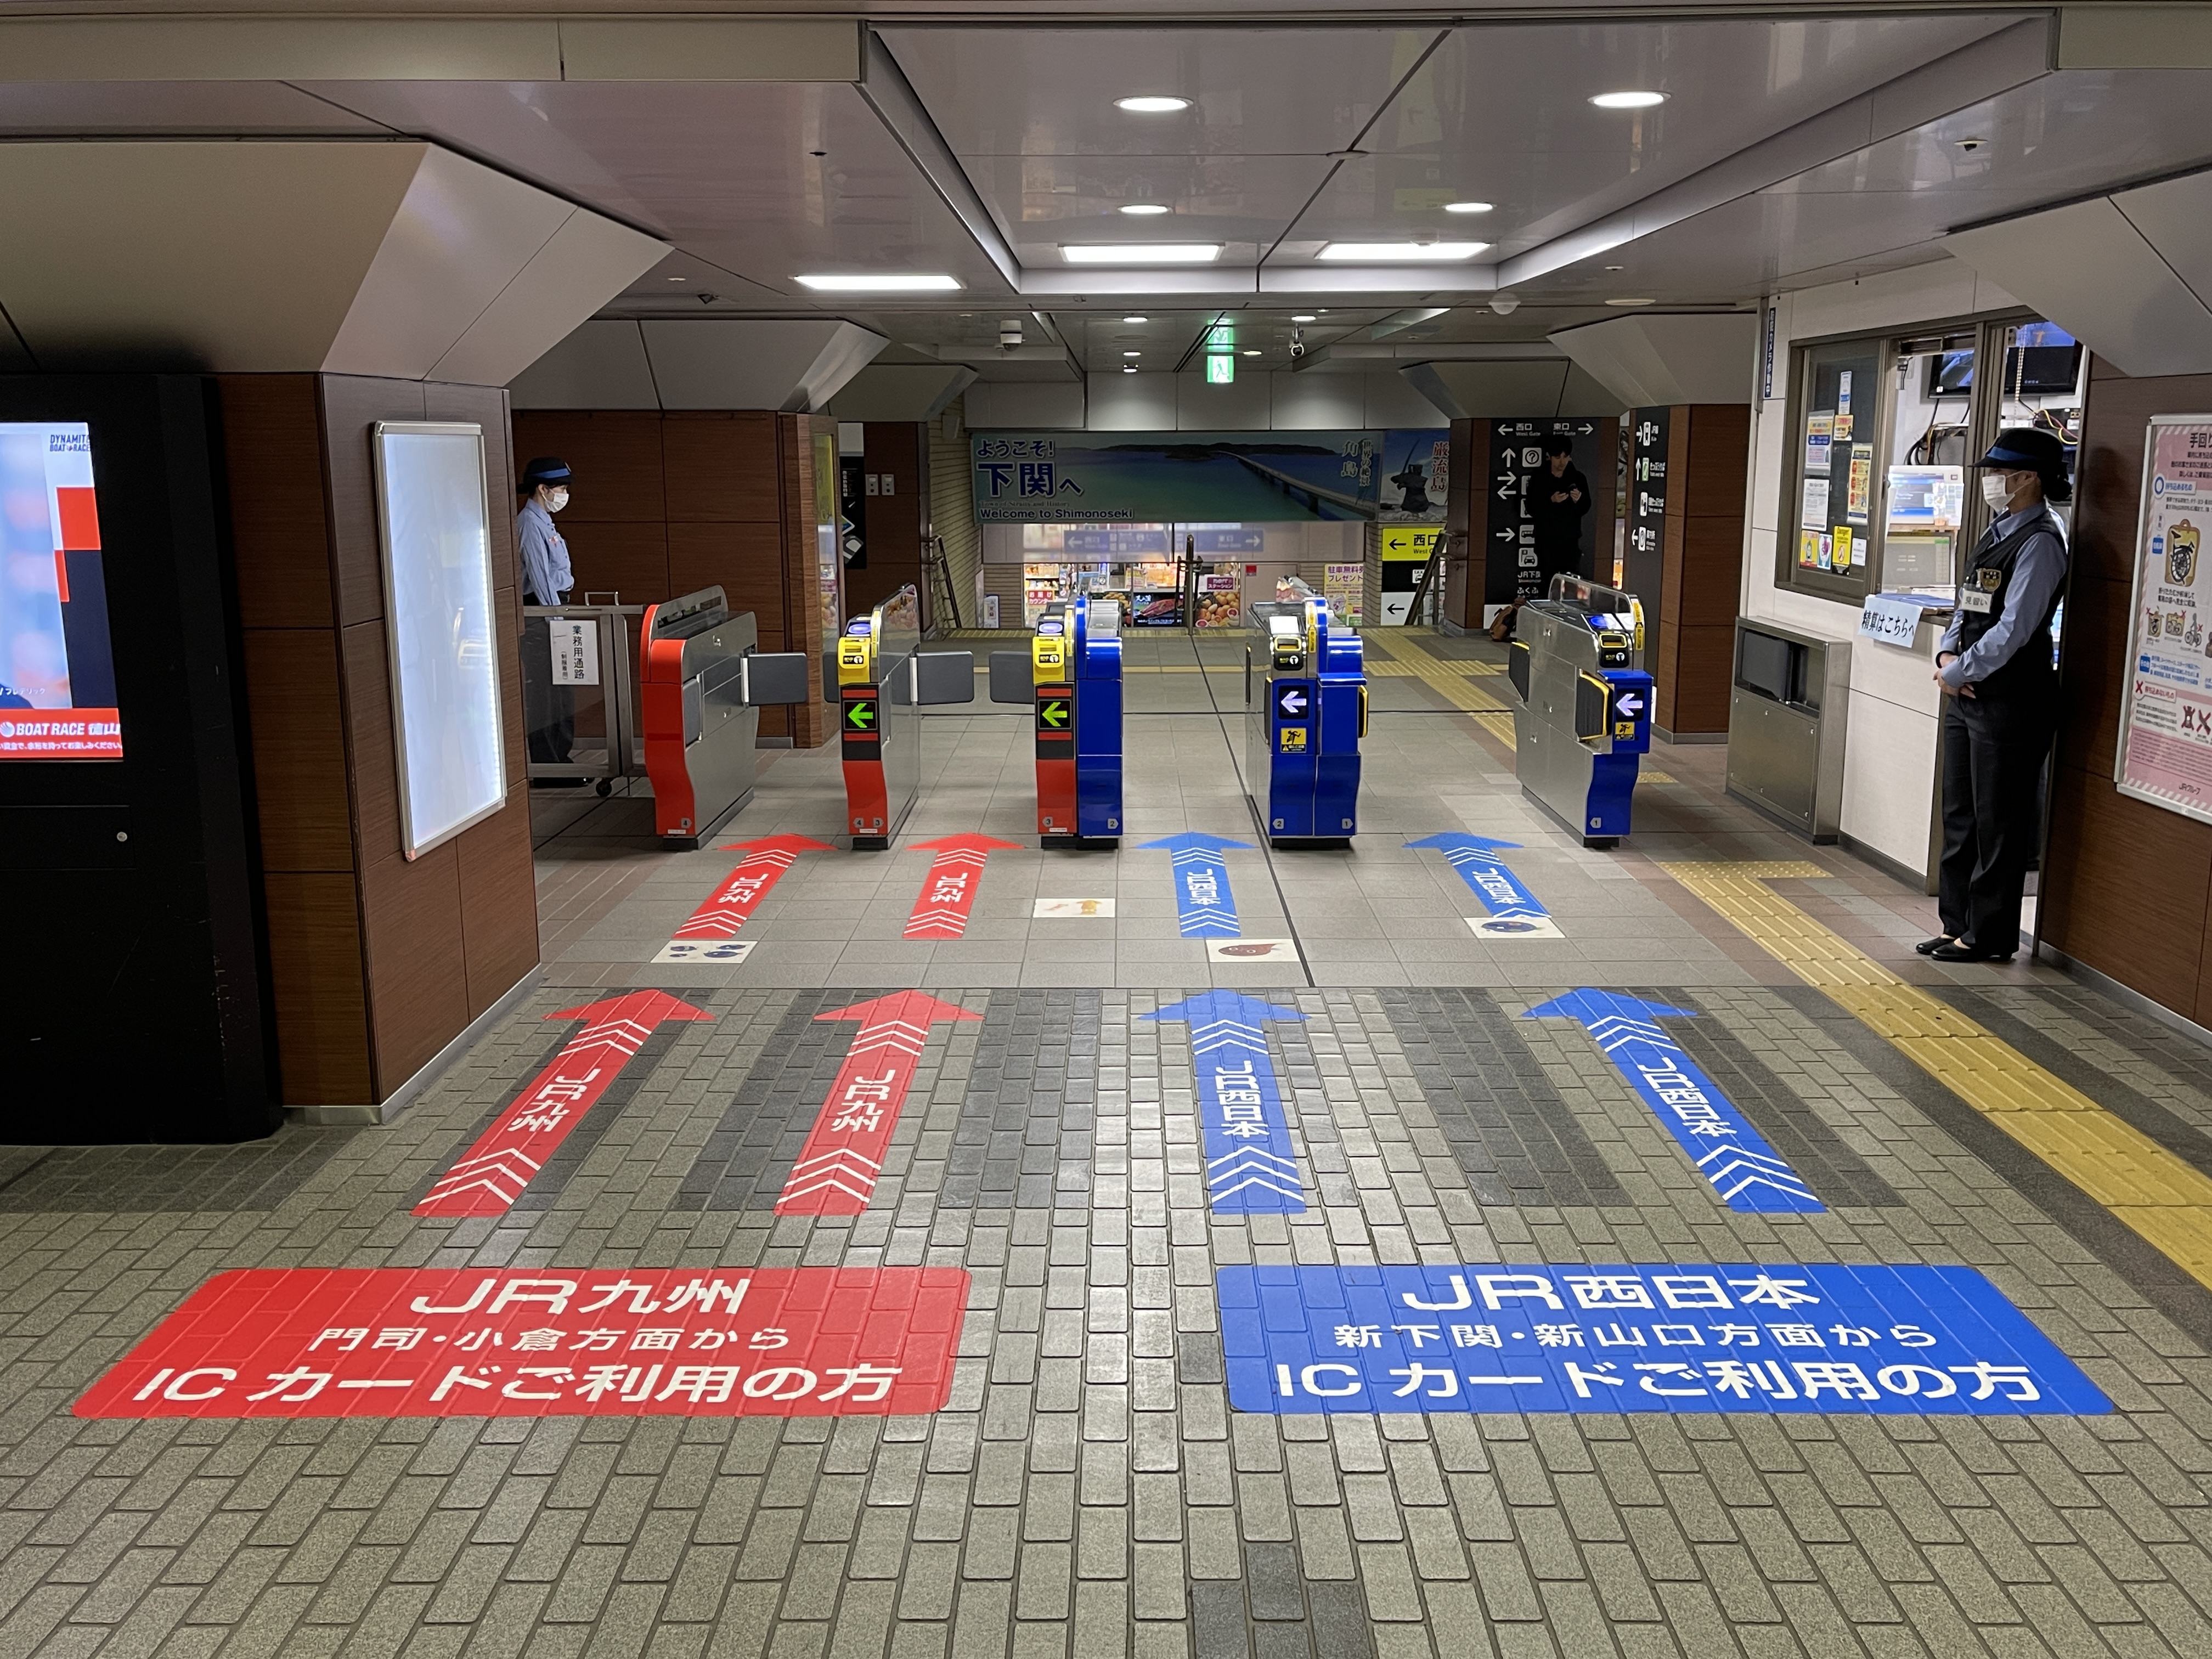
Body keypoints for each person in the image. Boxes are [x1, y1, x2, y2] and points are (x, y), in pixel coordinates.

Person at [1919, 427, 2071, 964]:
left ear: (2029, 478)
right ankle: (1956, 923)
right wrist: (1947, 657)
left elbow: (2016, 627)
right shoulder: (1997, 530)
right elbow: (1968, 604)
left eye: (2000, 473)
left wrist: (1961, 670)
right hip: (1967, 691)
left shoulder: (2042, 542)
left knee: (1998, 821)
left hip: (2011, 699)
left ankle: (1990, 935)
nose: (1991, 481)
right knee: (1960, 813)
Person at [1489, 436, 1591, 641]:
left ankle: (1570, 627)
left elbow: (1586, 507)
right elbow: (1531, 507)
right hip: (1546, 541)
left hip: (1570, 540)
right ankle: (1548, 627)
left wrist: (1579, 501)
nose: (1561, 462)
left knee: (1571, 583)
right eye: (1557, 457)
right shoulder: (1540, 478)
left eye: (1565, 457)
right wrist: (1551, 500)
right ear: (1549, 457)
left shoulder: (1578, 478)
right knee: (1548, 582)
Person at [516, 456, 578, 779]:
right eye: (561, 489)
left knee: (562, 689)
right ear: (543, 489)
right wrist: (555, 620)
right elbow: (540, 577)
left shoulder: (544, 522)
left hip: (555, 611)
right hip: (542, 614)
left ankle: (561, 760)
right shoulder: (529, 523)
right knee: (544, 692)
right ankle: (547, 764)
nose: (564, 495)